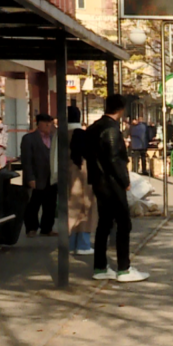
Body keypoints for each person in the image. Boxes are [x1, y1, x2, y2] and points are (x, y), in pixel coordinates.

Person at [85, 95, 149, 282]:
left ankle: (100, 267)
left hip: (98, 180)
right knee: (123, 223)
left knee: (104, 223)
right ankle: (124, 268)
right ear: (121, 109)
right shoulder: (111, 130)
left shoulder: (94, 128)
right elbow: (114, 158)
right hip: (111, 182)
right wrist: (124, 180)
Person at [21, 114, 57, 237]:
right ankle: (31, 228)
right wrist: (30, 177)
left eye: (50, 123)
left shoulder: (54, 138)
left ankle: (47, 228)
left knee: (50, 204)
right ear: (38, 123)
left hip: (51, 177)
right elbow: (26, 160)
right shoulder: (29, 138)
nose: (48, 125)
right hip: (37, 176)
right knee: (33, 204)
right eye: (45, 123)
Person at [67, 105, 96, 255]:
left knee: (70, 210)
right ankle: (83, 244)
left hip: (65, 177)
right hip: (82, 176)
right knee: (85, 209)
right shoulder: (81, 134)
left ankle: (70, 243)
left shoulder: (59, 134)